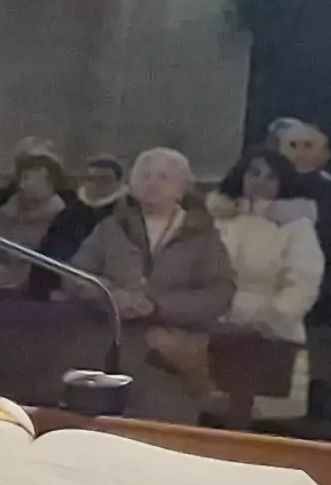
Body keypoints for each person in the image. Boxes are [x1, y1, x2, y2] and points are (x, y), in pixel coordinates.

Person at [75, 148, 236, 423]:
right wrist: (110, 296)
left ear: (181, 187)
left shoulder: (202, 235)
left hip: (173, 361)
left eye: (164, 177)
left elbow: (220, 293)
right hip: (112, 351)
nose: (153, 183)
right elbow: (75, 275)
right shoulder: (111, 227)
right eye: (146, 175)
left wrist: (159, 307)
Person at [217, 150, 324, 413]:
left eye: (271, 176)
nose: (260, 181)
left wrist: (270, 320)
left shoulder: (297, 227)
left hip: (273, 337)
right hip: (216, 331)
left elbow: (302, 282)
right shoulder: (216, 221)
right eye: (254, 173)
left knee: (259, 424)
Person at [0, 147, 80, 298]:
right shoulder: (3, 213)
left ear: (51, 184)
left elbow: (61, 265)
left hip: (40, 296)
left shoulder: (66, 220)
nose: (27, 185)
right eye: (24, 179)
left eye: (35, 180)